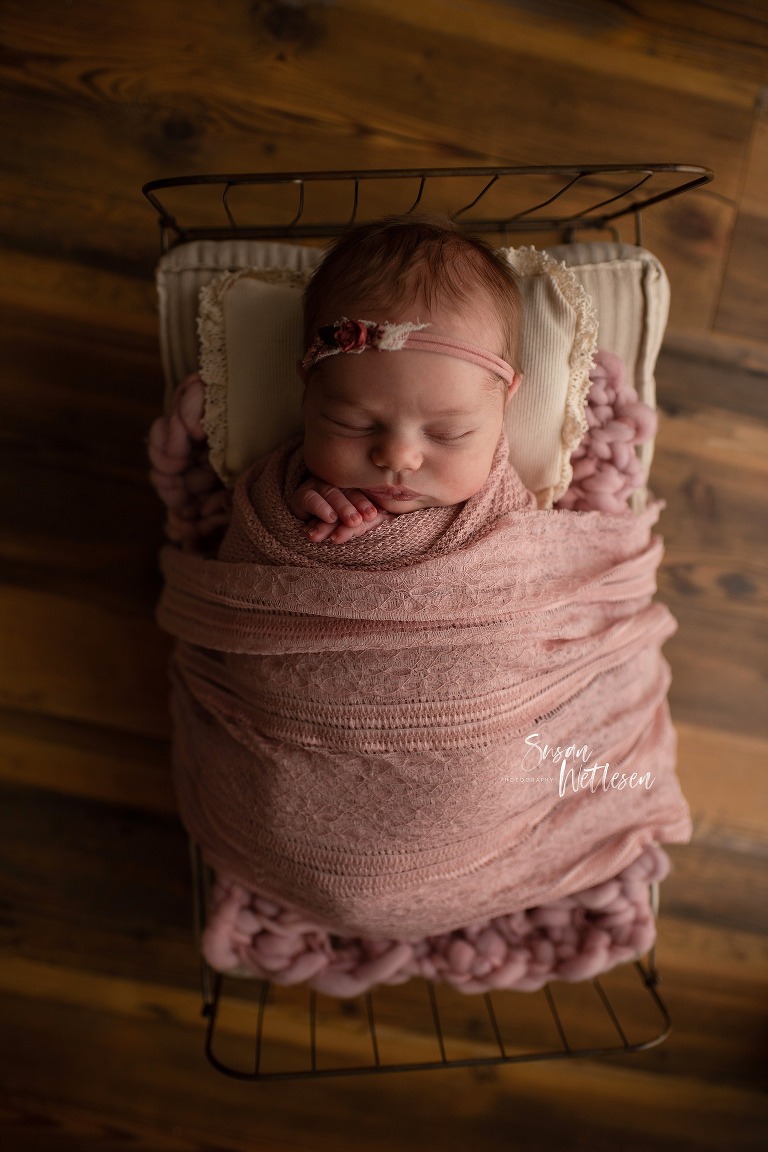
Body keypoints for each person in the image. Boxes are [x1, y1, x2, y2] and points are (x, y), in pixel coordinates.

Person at [288, 212, 528, 544]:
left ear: (505, 402)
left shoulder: (510, 518)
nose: (398, 457)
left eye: (447, 433)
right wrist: (294, 511)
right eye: (352, 423)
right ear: (308, 392)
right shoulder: (288, 487)